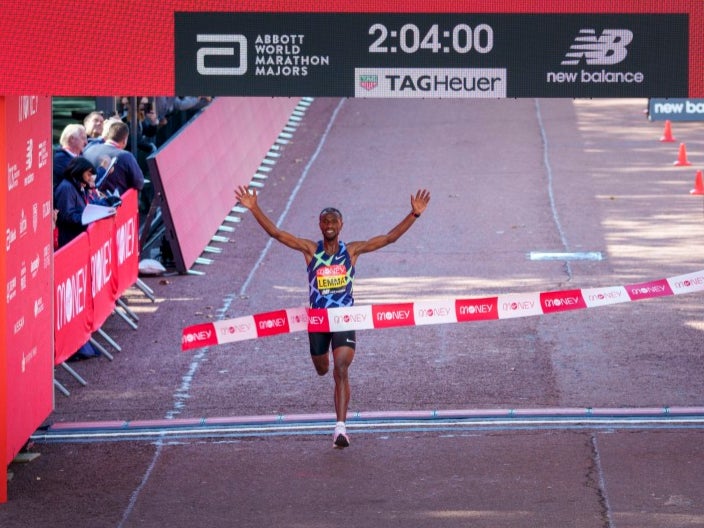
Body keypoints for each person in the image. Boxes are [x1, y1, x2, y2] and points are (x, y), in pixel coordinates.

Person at [234, 185, 431, 448]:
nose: (329, 225)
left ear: (341, 225)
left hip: (344, 320)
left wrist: (413, 215)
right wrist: (254, 207)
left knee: (340, 368)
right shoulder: (309, 250)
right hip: (317, 322)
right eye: (325, 221)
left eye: (333, 221)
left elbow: (388, 238)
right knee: (322, 369)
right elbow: (276, 233)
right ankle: (328, 373)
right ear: (319, 225)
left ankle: (340, 428)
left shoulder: (351, 252)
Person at [53, 156, 103, 360]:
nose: (92, 176)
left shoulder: (80, 187)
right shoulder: (66, 188)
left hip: (78, 247)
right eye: (89, 173)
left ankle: (80, 343)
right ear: (80, 171)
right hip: (69, 246)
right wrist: (88, 217)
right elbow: (66, 215)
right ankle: (73, 347)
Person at [83, 119, 145, 195]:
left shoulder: (89, 149)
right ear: (125, 140)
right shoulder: (125, 156)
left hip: (88, 200)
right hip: (115, 203)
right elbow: (139, 182)